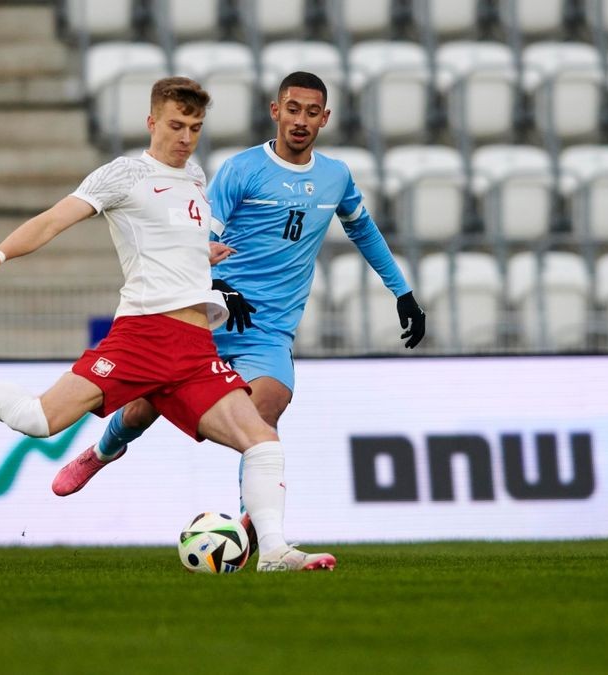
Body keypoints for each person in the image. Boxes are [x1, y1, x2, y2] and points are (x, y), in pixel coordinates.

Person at [0, 76, 334, 572]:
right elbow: (52, 220)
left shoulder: (197, 177)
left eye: (195, 128)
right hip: (140, 338)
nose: (185, 138)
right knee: (39, 421)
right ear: (152, 122)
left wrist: (203, 251)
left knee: (263, 441)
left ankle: (273, 553)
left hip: (195, 348)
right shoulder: (123, 175)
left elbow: (173, 237)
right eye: (176, 126)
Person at [52, 71, 426, 521]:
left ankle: (251, 526)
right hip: (204, 320)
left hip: (267, 333)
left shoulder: (335, 177)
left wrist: (402, 292)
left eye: (311, 112)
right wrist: (221, 286)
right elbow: (194, 241)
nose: (300, 120)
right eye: (292, 109)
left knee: (263, 415)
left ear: (324, 118)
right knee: (140, 410)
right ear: (275, 111)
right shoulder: (241, 170)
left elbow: (362, 229)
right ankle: (103, 452)